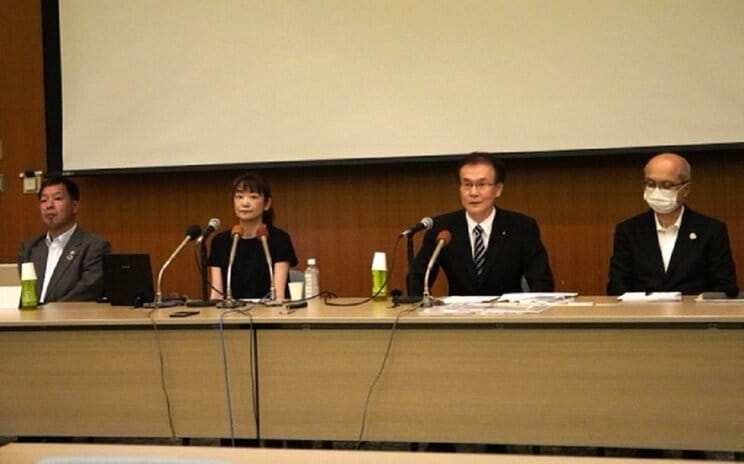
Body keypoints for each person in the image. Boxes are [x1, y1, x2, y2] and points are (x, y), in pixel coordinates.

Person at [409, 153, 554, 296]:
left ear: (498, 189)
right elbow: (418, 278)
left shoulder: (521, 227)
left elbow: (542, 283)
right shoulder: (442, 228)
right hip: (459, 316)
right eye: (467, 185)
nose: (473, 193)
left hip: (508, 316)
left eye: (482, 185)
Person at [607, 152, 738, 295]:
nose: (657, 191)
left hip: (694, 315)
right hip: (643, 314)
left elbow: (726, 288)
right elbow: (616, 287)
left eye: (666, 185)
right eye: (650, 184)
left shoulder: (711, 230)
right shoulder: (628, 230)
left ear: (686, 189)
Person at [17, 176, 111, 303]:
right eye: (44, 200)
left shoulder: (94, 246)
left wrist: (49, 312)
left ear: (75, 206)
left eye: (57, 198)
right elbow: (22, 291)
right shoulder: (29, 248)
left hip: (69, 319)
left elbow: (88, 289)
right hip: (29, 320)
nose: (49, 205)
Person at [208, 172, 297, 300]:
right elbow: (216, 294)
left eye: (253, 197)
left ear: (267, 203)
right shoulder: (220, 242)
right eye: (239, 197)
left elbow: (279, 295)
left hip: (270, 315)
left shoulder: (279, 239)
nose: (245, 203)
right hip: (230, 316)